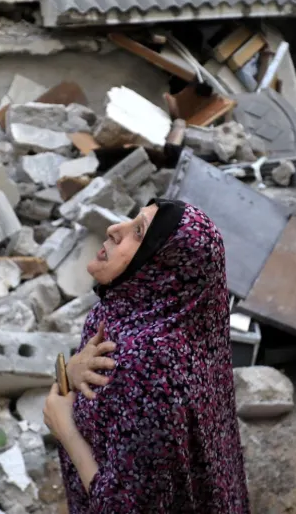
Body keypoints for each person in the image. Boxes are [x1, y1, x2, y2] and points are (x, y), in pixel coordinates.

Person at [43, 198, 250, 513]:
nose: (114, 229)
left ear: (162, 268)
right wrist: (70, 374)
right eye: (132, 219)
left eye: (138, 232)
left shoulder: (148, 368)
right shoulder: (134, 314)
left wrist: (66, 431)